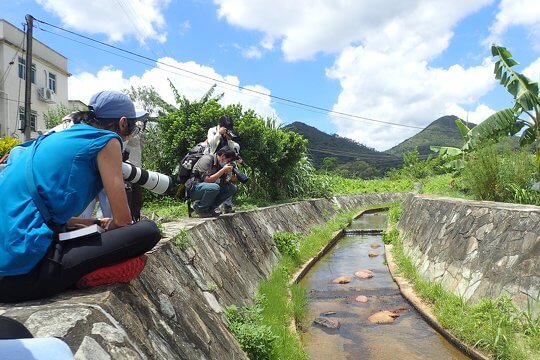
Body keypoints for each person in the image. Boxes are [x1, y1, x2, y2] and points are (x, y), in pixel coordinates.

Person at [0, 90, 161, 303]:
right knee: (148, 231)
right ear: (123, 123)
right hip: (22, 274)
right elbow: (123, 221)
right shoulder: (108, 140)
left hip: (12, 261)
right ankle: (83, 276)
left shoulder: (52, 139)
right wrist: (109, 225)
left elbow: (41, 211)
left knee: (81, 229)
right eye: (134, 125)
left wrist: (93, 222)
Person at [185, 146, 237, 217]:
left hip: (206, 187)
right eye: (228, 160)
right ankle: (199, 208)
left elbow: (223, 182)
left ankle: (210, 208)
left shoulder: (219, 164)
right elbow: (207, 179)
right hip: (194, 188)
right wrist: (223, 170)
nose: (227, 162)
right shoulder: (206, 159)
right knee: (214, 187)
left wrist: (231, 178)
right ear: (223, 156)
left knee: (231, 188)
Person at [207, 115, 241, 213]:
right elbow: (211, 144)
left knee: (228, 182)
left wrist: (229, 139)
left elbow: (232, 149)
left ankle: (227, 205)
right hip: (215, 161)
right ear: (220, 125)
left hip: (226, 161)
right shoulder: (212, 130)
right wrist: (218, 134)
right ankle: (214, 206)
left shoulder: (228, 133)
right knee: (216, 183)